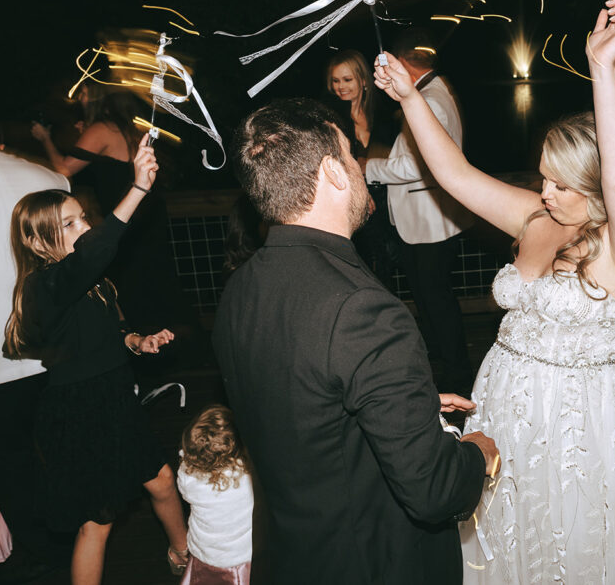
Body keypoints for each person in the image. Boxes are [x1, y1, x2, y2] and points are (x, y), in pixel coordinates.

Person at [375, 0, 615, 584]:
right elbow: (456, 175)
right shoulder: (535, 217)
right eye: (542, 174)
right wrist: (410, 99)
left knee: (591, 546)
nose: (545, 190)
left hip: (589, 424)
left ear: (596, 188)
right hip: (505, 402)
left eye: (562, 183)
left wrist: (602, 67)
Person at [213, 98, 498, 584]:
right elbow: (433, 490)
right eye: (350, 155)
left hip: (289, 556)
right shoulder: (363, 310)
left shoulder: (241, 287)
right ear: (333, 172)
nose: (359, 166)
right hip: (368, 562)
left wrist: (406, 403)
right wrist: (476, 453)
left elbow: (303, 402)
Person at [2, 133, 189, 585]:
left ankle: (186, 558)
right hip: (79, 413)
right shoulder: (44, 286)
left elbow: (113, 333)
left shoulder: (93, 283)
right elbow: (93, 253)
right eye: (69, 224)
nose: (83, 227)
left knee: (163, 482)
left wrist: (137, 342)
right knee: (98, 521)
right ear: (35, 238)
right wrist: (138, 188)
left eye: (82, 218)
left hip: (115, 400)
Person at [0, 111, 71, 582]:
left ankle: (38, 552)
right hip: (49, 345)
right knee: (59, 449)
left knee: (5, 462)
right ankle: (77, 537)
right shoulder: (44, 177)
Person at [31, 85, 198, 356]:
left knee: (133, 290)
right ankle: (172, 353)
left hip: (126, 222)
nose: (79, 97)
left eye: (84, 92)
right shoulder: (127, 129)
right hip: (146, 218)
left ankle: (147, 360)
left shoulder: (101, 129)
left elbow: (62, 171)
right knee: (156, 285)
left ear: (100, 96)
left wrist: (44, 138)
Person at [364, 29, 476, 394]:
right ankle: (448, 366)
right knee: (432, 300)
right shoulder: (436, 92)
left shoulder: (430, 101)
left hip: (428, 223)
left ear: (406, 64)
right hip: (426, 220)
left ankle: (456, 374)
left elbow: (416, 167)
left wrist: (367, 167)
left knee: (436, 302)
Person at [325, 49, 399, 287]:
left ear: (364, 81)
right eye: (335, 81)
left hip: (392, 202)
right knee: (367, 271)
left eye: (347, 80)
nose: (340, 87)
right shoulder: (332, 120)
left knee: (391, 266)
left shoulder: (385, 116)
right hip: (357, 205)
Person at [177, 405, 253, 584]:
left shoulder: (187, 476)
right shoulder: (247, 477)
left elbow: (185, 490)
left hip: (206, 553)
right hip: (241, 555)